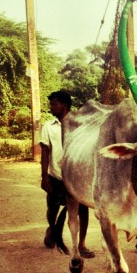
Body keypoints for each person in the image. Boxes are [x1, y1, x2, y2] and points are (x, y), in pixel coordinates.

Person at [40, 90, 95, 258]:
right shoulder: (49, 126)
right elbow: (45, 151)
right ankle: (52, 229)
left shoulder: (80, 125)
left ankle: (82, 244)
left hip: (77, 176)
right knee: (52, 208)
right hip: (56, 175)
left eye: (54, 104)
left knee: (82, 210)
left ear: (64, 105)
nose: (51, 107)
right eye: (51, 104)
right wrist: (44, 176)